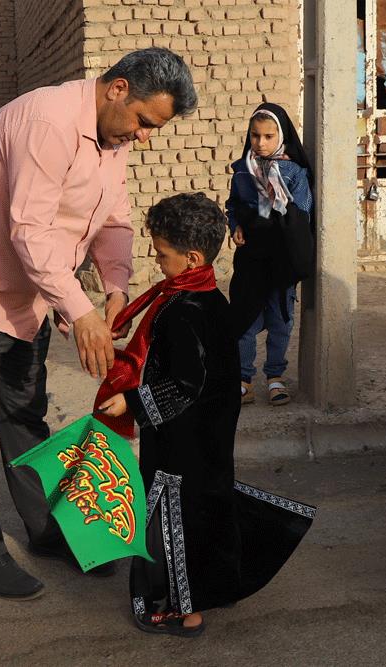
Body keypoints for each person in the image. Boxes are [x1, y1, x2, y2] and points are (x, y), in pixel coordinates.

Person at [0, 48, 197, 600]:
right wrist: (82, 312)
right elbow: (31, 230)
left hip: (33, 296)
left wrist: (114, 288)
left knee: (24, 415)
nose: (143, 137)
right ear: (117, 88)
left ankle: (49, 531)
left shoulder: (113, 137)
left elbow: (114, 217)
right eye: (144, 122)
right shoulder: (46, 122)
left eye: (153, 129)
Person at [96, 193, 316, 637]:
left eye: (162, 254)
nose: (157, 262)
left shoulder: (183, 311)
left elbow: (185, 384)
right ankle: (221, 581)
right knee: (207, 504)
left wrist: (132, 403)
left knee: (177, 518)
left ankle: (184, 609)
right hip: (209, 432)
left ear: (191, 256)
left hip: (183, 438)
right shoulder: (205, 297)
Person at [226, 103, 314, 407]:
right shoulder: (241, 170)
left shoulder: (293, 172)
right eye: (255, 136)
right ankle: (243, 380)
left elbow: (303, 212)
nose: (260, 143)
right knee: (244, 320)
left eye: (268, 136)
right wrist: (235, 225)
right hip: (250, 258)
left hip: (280, 257)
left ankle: (275, 377)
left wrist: (280, 204)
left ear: (282, 136)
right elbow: (233, 204)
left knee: (280, 320)